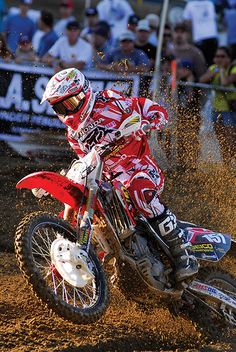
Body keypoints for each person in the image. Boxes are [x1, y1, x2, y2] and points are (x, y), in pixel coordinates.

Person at [40, 67, 199, 281]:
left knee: (138, 190)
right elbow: (87, 161)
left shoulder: (109, 101)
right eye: (60, 107)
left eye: (70, 103)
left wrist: (151, 120)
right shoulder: (73, 134)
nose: (67, 111)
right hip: (111, 182)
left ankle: (184, 253)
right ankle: (71, 263)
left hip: (140, 169)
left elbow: (144, 107)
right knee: (81, 207)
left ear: (84, 92)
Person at [199, 46, 236, 165]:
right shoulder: (213, 68)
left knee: (231, 141)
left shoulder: (233, 69)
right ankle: (226, 167)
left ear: (229, 58)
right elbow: (202, 80)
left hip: (230, 110)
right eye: (217, 56)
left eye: (222, 56)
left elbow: (225, 82)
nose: (219, 59)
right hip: (216, 109)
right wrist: (214, 71)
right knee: (221, 141)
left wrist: (220, 71)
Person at [183, 0, 218, 66]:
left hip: (201, 38)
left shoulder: (191, 4)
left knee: (202, 63)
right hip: (211, 37)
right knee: (212, 63)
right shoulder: (209, 3)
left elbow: (187, 21)